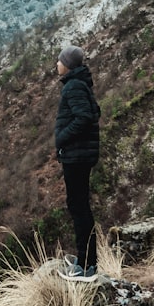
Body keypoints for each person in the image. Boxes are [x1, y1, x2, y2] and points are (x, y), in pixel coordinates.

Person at [54, 45, 101, 281]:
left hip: (77, 156)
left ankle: (85, 266)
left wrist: (61, 138)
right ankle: (86, 260)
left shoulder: (73, 86)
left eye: (60, 60)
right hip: (80, 154)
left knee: (78, 207)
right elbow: (95, 112)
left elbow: (84, 117)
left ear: (68, 65)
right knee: (80, 206)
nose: (57, 63)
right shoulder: (80, 84)